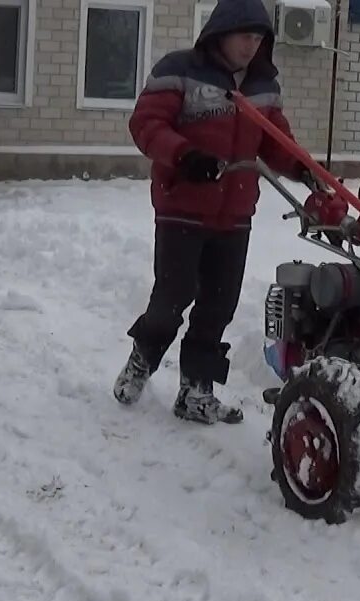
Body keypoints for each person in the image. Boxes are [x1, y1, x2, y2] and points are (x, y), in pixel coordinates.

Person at [112, 0, 311, 425]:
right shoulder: (179, 69)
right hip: (183, 206)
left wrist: (304, 169)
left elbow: (276, 142)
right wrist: (184, 155)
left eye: (259, 39)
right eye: (245, 36)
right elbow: (146, 124)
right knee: (172, 297)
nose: (251, 46)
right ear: (221, 31)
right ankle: (141, 359)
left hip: (235, 214)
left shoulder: (263, 85)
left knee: (218, 306)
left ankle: (195, 391)